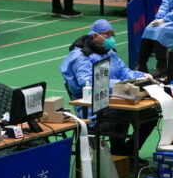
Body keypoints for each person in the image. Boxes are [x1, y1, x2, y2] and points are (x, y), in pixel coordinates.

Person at [61, 19, 159, 158]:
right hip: (94, 107)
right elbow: (88, 82)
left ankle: (125, 154)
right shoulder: (80, 57)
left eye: (113, 34)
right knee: (130, 114)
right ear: (95, 36)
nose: (111, 38)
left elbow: (124, 72)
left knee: (150, 115)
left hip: (116, 101)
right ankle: (124, 155)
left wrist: (143, 76)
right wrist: (120, 85)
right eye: (108, 34)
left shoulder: (109, 51)